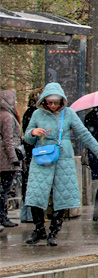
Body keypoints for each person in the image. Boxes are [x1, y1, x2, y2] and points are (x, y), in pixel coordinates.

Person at [23, 83, 98, 246]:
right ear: (44, 101)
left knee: (62, 195)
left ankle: (54, 231)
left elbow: (85, 134)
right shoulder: (37, 114)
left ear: (61, 101)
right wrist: (33, 133)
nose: (53, 106)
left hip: (63, 156)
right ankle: (39, 229)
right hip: (42, 156)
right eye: (49, 102)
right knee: (36, 194)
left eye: (56, 102)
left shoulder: (68, 114)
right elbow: (27, 137)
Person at [0, 90, 21, 228]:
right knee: (5, 190)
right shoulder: (7, 116)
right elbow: (8, 139)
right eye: (14, 99)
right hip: (6, 159)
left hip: (4, 157)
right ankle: (3, 217)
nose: (15, 102)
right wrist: (14, 158)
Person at [19, 89, 39, 223]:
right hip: (33, 153)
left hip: (29, 152)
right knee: (31, 184)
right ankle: (30, 214)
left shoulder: (28, 113)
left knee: (28, 184)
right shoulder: (35, 114)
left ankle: (27, 214)